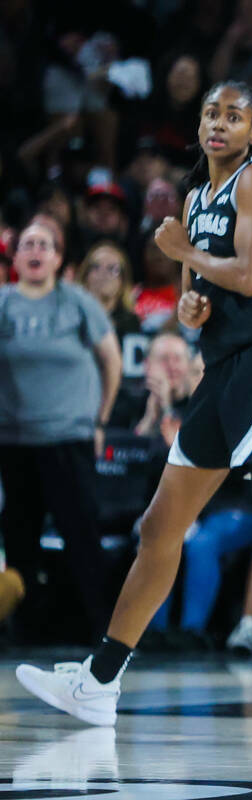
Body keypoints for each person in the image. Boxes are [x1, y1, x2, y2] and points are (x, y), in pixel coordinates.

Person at [15, 82, 252, 736]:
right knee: (157, 528)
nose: (218, 124)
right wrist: (190, 304)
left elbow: (251, 277)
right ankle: (101, 681)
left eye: (234, 115)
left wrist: (182, 256)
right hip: (223, 369)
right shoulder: (196, 198)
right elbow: (199, 294)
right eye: (210, 113)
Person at [0, 221, 123, 643]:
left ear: (58, 258)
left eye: (45, 245)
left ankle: (102, 630)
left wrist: (101, 420)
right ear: (15, 259)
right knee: (20, 541)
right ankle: (24, 628)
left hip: (70, 436)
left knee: (81, 535)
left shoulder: (77, 303)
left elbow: (112, 360)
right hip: (15, 439)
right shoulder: (3, 304)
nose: (36, 251)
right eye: (27, 244)